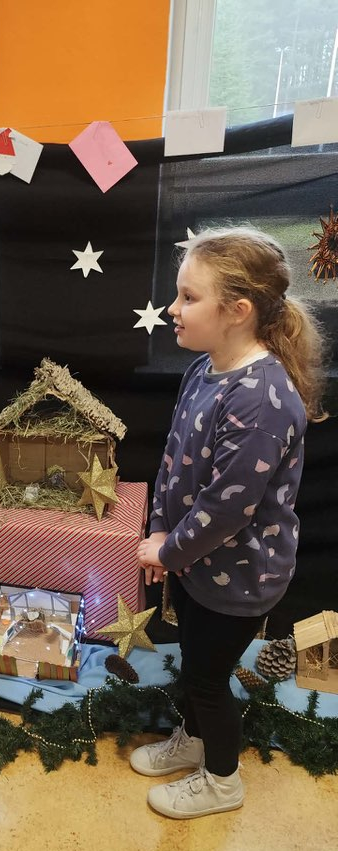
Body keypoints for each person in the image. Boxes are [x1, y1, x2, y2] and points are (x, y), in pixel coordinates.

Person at [133, 227, 326, 819]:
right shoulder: (204, 370)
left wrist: (168, 552)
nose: (173, 308)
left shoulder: (262, 400)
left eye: (189, 297)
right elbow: (172, 458)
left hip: (240, 576)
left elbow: (227, 507)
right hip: (198, 562)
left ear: (237, 311)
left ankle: (222, 780)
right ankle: (192, 742)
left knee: (208, 680)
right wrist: (160, 528)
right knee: (194, 663)